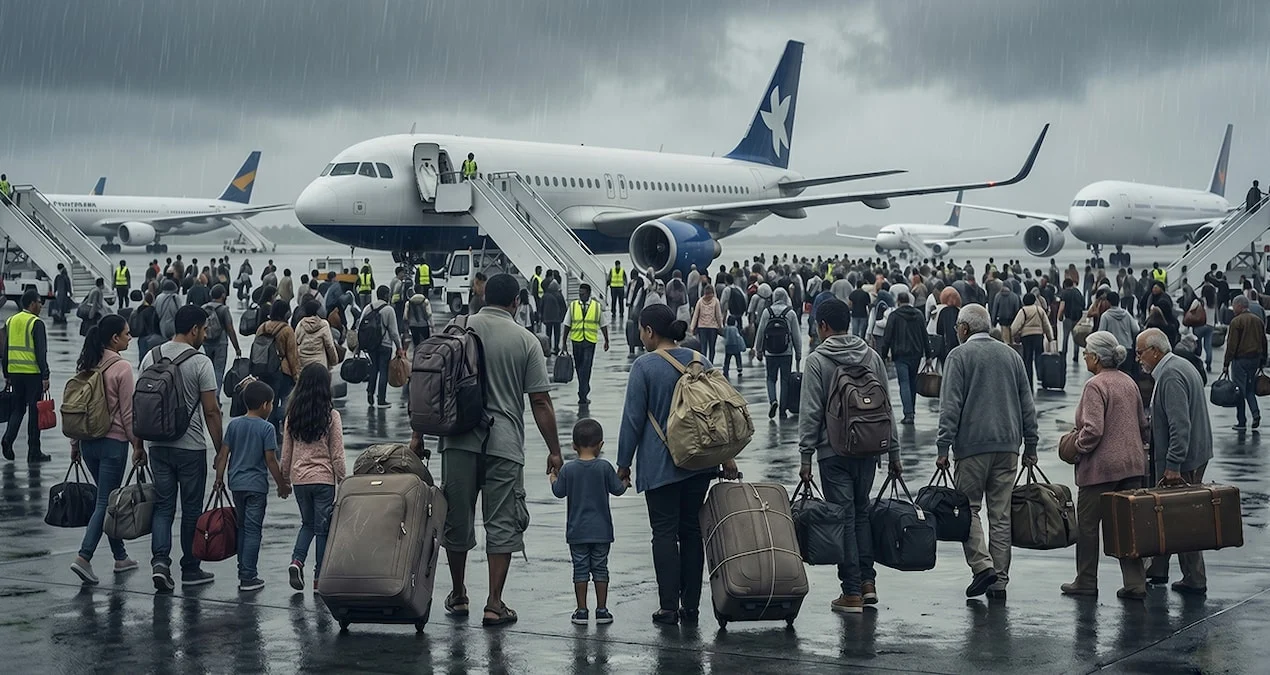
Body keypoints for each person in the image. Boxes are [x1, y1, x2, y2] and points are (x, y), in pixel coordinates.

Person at [439, 273, 562, 627]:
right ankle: (494, 603)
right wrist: (554, 451)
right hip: (504, 444)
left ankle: (459, 593)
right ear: (516, 303)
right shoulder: (526, 340)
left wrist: (419, 436)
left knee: (457, 518)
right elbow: (540, 401)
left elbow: (433, 386)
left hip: (457, 440)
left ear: (482, 295)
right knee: (503, 523)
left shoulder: (456, 329)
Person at [617, 304, 739, 625]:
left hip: (660, 466)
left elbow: (632, 420)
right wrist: (727, 456)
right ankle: (692, 606)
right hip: (699, 463)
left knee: (664, 533)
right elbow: (719, 412)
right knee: (690, 532)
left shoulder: (644, 367)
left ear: (649, 331)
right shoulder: (701, 360)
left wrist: (623, 464)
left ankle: (668, 606)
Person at [798, 298, 901, 613]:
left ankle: (852, 591)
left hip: (833, 453)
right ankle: (868, 584)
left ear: (824, 326)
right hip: (869, 449)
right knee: (861, 513)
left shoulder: (818, 361)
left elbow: (811, 412)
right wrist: (894, 452)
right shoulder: (870, 356)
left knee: (842, 518)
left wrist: (805, 456)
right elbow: (886, 407)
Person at [936, 303, 1038, 600]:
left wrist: (944, 445)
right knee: (1001, 514)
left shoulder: (959, 356)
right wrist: (1030, 443)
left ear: (964, 329)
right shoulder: (1011, 355)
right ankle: (999, 581)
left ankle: (982, 566)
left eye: (958, 327)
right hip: (1008, 446)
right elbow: (1026, 404)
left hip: (972, 447)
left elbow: (950, 406)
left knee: (969, 509)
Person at [1059, 332, 1149, 600]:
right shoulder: (1128, 382)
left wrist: (1075, 448)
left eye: (1087, 352)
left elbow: (1093, 430)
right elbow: (1143, 424)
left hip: (1101, 469)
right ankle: (1135, 582)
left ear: (1096, 357)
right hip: (1132, 465)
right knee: (1127, 525)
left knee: (1087, 526)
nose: (1085, 356)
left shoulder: (1095, 385)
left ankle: (1086, 580)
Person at [143, 305, 224, 592]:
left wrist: (138, 446)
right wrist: (220, 449)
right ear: (194, 330)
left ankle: (160, 563)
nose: (206, 333)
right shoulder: (200, 362)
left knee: (164, 507)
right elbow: (211, 411)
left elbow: (138, 405)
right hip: (190, 448)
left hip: (157, 445)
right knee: (191, 510)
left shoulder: (150, 356)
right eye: (204, 329)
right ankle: (190, 567)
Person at [1135, 328, 1213, 594]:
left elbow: (1180, 425)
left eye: (1140, 352)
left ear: (1155, 351)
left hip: (1186, 459)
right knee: (1172, 515)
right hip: (1195, 453)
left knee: (1184, 519)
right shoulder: (1180, 366)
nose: (1138, 358)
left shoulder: (1170, 376)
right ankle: (1160, 568)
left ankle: (1194, 577)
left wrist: (1173, 464)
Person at [68, 315, 144, 584]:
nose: (130, 337)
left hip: (88, 442)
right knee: (105, 502)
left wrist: (75, 445)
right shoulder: (122, 368)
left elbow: (80, 407)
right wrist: (137, 444)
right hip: (113, 443)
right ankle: (83, 557)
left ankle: (120, 556)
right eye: (126, 334)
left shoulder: (88, 361)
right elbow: (128, 413)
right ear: (115, 338)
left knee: (107, 499)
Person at [212, 379, 287, 592]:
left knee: (242, 527)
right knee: (253, 530)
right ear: (265, 405)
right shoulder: (267, 428)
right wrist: (281, 484)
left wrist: (219, 479)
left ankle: (242, 569)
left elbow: (223, 455)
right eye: (271, 404)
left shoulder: (234, 425)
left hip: (236, 485)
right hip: (256, 486)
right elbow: (271, 460)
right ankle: (248, 576)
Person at [550, 418, 627, 625]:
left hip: (577, 532)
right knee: (601, 568)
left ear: (574, 446)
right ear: (600, 445)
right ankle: (602, 610)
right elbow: (617, 490)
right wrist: (625, 482)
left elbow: (559, 492)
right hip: (602, 531)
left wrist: (553, 479)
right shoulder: (604, 467)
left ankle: (581, 610)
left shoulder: (568, 470)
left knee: (580, 569)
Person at [282, 363, 345, 592]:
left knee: (307, 524)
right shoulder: (331, 416)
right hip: (323, 480)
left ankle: (297, 561)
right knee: (323, 530)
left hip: (300, 479)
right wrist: (343, 479)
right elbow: (336, 453)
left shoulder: (292, 416)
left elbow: (286, 452)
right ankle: (319, 579)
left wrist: (285, 479)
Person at [2, 290, 51, 463]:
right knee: (34, 412)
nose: (41, 306)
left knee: (17, 409)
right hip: (32, 374)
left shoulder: (11, 320)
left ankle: (8, 438)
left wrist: (6, 373)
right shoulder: (36, 323)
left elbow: (4, 349)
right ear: (32, 304)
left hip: (15, 372)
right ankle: (34, 451)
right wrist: (45, 375)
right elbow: (40, 352)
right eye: (39, 302)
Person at [879, 291, 929, 424]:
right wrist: (928, 354)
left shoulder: (894, 316)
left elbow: (887, 337)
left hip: (900, 354)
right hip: (916, 353)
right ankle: (911, 410)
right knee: (912, 382)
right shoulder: (918, 315)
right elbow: (925, 335)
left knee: (904, 383)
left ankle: (908, 413)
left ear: (898, 302)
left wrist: (882, 355)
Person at [755, 287, 802, 419]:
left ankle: (773, 400)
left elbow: (761, 332)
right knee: (785, 380)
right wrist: (798, 354)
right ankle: (782, 410)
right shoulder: (790, 313)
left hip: (770, 353)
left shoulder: (767, 312)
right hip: (786, 352)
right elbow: (796, 335)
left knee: (771, 378)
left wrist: (758, 349)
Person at [561, 283, 609, 405]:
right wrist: (564, 342)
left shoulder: (596, 307)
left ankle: (583, 392)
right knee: (579, 367)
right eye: (579, 294)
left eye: (583, 294)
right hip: (576, 341)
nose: (581, 296)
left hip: (589, 342)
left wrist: (606, 340)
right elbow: (567, 324)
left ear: (588, 293)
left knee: (586, 367)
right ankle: (584, 389)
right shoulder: (572, 306)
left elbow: (603, 324)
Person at [257, 300, 301, 433]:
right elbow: (292, 355)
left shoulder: (262, 327)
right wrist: (296, 375)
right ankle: (280, 426)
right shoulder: (287, 330)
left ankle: (271, 430)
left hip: (264, 370)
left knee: (270, 402)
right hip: (283, 371)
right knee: (285, 402)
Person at [1223, 294, 1265, 431]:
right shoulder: (1258, 320)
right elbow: (1263, 342)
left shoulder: (1237, 322)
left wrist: (1226, 363)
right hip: (1255, 359)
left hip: (1240, 360)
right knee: (1250, 388)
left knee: (1240, 391)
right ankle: (1255, 412)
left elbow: (1232, 345)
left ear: (1240, 306)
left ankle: (1241, 421)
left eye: (1234, 305)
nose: (1233, 308)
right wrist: (1263, 360)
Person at [363, 286, 405, 408]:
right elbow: (394, 331)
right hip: (385, 345)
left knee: (373, 369)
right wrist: (399, 347)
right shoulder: (388, 310)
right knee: (383, 371)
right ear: (386, 295)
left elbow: (361, 326)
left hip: (371, 345)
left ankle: (370, 392)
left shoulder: (368, 308)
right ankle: (381, 400)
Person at [202, 285, 242, 396]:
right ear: (223, 295)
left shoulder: (204, 308)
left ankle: (206, 396)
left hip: (206, 342)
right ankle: (215, 397)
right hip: (221, 343)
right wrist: (237, 348)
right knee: (218, 371)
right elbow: (230, 329)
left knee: (206, 371)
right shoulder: (224, 309)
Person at [1010, 293, 1055, 390]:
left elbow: (1015, 326)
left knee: (1028, 359)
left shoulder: (1023, 311)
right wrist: (1050, 337)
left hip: (1026, 337)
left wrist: (1013, 334)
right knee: (1039, 357)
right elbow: (1046, 325)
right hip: (1038, 336)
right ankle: (1041, 377)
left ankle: (1029, 380)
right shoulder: (1039, 310)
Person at [295, 299, 340, 371]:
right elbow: (329, 345)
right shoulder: (324, 324)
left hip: (303, 363)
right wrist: (334, 361)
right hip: (320, 364)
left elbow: (296, 342)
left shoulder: (301, 324)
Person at [688, 283, 724, 362]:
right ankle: (709, 363)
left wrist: (692, 327)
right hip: (712, 328)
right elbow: (718, 315)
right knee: (711, 347)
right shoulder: (715, 301)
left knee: (704, 347)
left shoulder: (700, 301)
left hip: (703, 327)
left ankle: (704, 363)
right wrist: (721, 326)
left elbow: (695, 315)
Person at [1057, 279, 1086, 362]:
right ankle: (1076, 355)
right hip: (1077, 318)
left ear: (1065, 285)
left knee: (1065, 337)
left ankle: (1064, 354)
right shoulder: (1078, 292)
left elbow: (1062, 307)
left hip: (1068, 318)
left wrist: (1059, 316)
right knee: (1075, 337)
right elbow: (1083, 304)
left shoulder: (1064, 293)